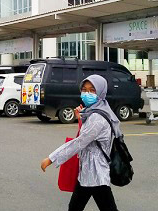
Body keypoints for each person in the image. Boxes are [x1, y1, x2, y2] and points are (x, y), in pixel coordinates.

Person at [40, 74, 120, 211]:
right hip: (87, 172)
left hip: (96, 173)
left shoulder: (96, 117)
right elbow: (88, 136)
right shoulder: (96, 111)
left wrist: (51, 158)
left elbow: (79, 142)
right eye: (84, 89)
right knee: (75, 207)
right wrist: (81, 119)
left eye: (92, 90)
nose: (87, 93)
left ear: (101, 92)